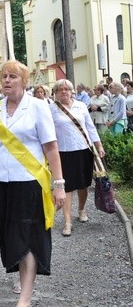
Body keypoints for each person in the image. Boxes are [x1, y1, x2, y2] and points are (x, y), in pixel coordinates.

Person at [0, 61, 66, 307]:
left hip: (28, 182)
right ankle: (22, 278)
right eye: (4, 76)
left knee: (26, 236)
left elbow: (51, 147)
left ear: (24, 81)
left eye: (13, 76)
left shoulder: (38, 107)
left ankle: (25, 297)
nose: (7, 80)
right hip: (0, 182)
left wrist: (58, 184)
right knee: (9, 235)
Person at [50, 79, 105, 238]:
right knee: (66, 187)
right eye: (60, 90)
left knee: (83, 184)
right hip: (63, 152)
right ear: (56, 92)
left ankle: (81, 209)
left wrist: (99, 146)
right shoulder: (51, 109)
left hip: (83, 150)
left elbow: (90, 127)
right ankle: (67, 221)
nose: (64, 92)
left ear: (72, 91)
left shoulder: (81, 106)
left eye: (67, 89)